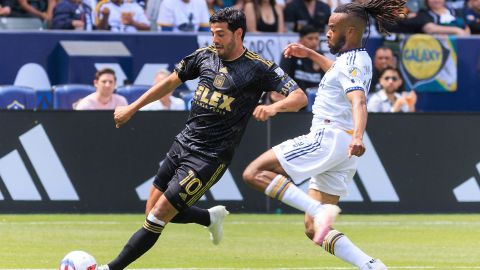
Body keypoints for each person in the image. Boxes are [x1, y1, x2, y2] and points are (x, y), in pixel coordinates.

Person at [98, 8, 308, 270]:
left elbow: (299, 97)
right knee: (151, 209)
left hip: (209, 157)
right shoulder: (205, 56)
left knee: (157, 217)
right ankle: (209, 217)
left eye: (220, 34)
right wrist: (132, 108)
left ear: (238, 33)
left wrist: (274, 108)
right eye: (212, 33)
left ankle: (110, 268)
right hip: (182, 143)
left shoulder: (258, 67)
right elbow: (170, 82)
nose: (214, 39)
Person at [242, 0, 406, 269]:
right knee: (311, 228)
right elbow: (338, 71)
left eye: (331, 28)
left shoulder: (350, 64)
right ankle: (372, 266)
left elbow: (359, 102)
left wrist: (358, 137)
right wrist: (310, 54)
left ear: (350, 31)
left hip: (330, 137)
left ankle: (321, 209)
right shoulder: (356, 59)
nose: (326, 33)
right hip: (343, 149)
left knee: (254, 173)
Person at [273, 24, 324, 105]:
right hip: (295, 99)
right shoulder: (290, 53)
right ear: (301, 40)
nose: (314, 42)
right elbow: (282, 79)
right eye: (310, 38)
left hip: (316, 101)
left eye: (317, 38)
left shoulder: (320, 56)